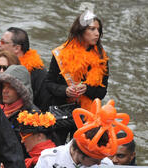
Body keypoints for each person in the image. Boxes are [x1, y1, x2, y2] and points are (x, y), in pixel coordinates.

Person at [45, 10, 109, 145]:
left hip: (86, 116)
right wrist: (65, 90)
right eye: (92, 29)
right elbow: (49, 83)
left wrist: (86, 89)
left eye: (98, 30)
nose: (97, 33)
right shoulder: (60, 54)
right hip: (61, 113)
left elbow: (102, 93)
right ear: (80, 31)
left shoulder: (102, 58)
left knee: (82, 152)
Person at [0, 27, 50, 110]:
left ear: (17, 48)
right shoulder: (0, 64)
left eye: (3, 42)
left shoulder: (37, 72)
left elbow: (43, 104)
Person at [0, 64, 39, 144]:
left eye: (10, 87)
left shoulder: (32, 117)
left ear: (20, 90)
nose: (4, 91)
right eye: (3, 86)